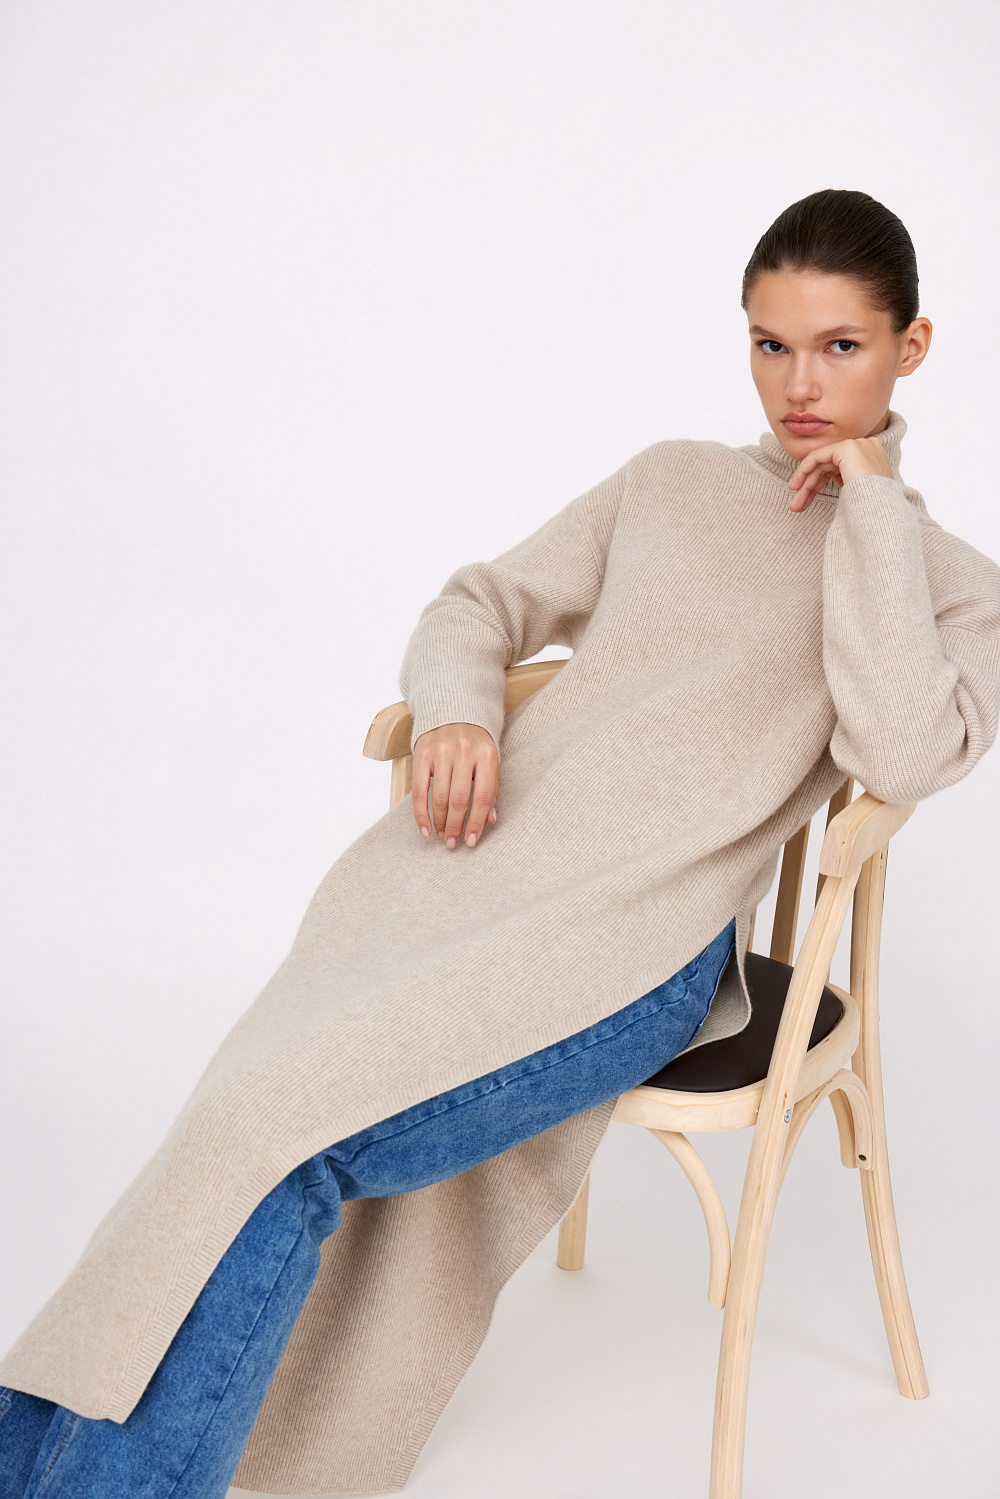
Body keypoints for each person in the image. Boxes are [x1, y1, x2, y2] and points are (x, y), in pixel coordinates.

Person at [2, 189, 998, 1498]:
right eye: (770, 345)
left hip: (626, 946)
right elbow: (479, 603)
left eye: (840, 347)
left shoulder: (949, 585)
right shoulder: (671, 482)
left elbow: (904, 752)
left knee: (280, 1138)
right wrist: (460, 712)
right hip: (460, 878)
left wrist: (871, 508)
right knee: (232, 1119)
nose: (798, 385)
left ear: (910, 348)